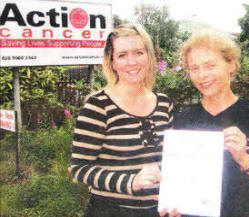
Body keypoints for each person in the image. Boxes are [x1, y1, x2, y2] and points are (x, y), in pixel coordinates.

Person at [169, 31, 249, 217]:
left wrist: (244, 159)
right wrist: (172, 201)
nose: (202, 76)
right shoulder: (183, 119)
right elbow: (177, 182)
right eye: (194, 68)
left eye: (210, 66)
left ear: (231, 65)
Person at [70, 23, 174, 217]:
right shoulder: (98, 106)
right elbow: (80, 169)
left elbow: (172, 161)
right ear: (112, 63)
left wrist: (174, 197)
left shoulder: (164, 104)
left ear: (149, 57)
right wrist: (131, 182)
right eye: (122, 55)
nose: (132, 61)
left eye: (138, 52)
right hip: (110, 211)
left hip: (156, 211)